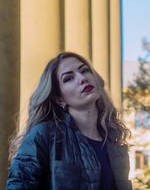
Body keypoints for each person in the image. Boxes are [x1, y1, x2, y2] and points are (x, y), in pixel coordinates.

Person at [6, 51, 132, 190]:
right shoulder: (44, 134)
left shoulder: (113, 140)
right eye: (68, 78)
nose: (82, 78)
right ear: (59, 98)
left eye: (84, 70)